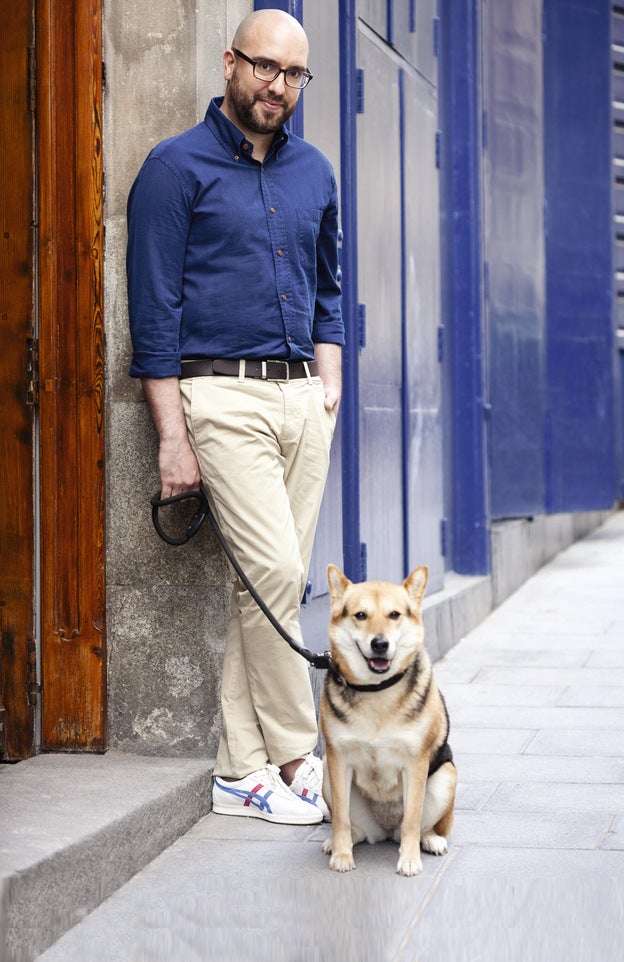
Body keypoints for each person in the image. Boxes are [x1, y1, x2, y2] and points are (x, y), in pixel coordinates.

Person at [126, 9, 343, 825]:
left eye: (293, 75)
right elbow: (155, 313)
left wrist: (328, 385)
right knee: (277, 578)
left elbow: (329, 288)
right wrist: (172, 439)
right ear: (229, 63)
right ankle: (298, 753)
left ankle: (236, 771)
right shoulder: (174, 169)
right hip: (218, 397)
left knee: (265, 589)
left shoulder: (315, 172)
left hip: (300, 400)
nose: (277, 87)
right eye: (264, 68)